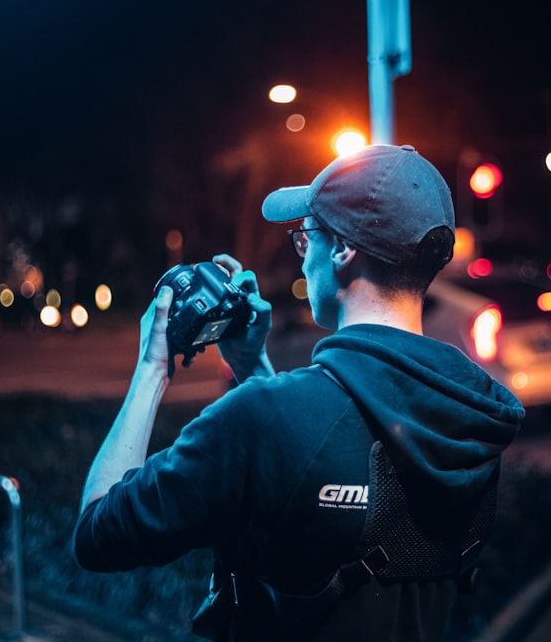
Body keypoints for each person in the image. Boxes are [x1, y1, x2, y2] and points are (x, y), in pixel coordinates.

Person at [73, 144, 525, 641]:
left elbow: (98, 534)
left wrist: (152, 368)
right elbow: (321, 460)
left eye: (306, 237)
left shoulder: (263, 419)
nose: (303, 258)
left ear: (342, 250)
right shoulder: (471, 419)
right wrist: (252, 364)